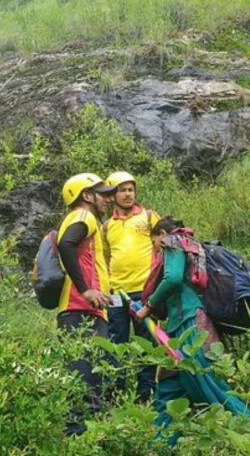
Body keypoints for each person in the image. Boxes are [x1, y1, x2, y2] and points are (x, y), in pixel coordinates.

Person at [134, 216, 250, 446]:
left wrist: (146, 309)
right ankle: (161, 445)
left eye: (153, 243)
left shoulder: (173, 241)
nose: (156, 250)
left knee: (208, 383)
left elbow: (172, 279)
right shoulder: (188, 246)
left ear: (160, 234)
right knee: (169, 389)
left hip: (192, 324)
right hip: (179, 326)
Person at [56, 173, 116, 436]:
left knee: (89, 377)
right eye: (102, 194)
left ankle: (85, 438)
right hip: (80, 310)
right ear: (86, 196)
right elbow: (66, 244)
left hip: (85, 311)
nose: (108, 198)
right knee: (83, 379)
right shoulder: (84, 216)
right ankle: (76, 439)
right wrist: (86, 290)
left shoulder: (86, 220)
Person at [102, 171, 159, 403]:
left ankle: (145, 394)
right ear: (113, 195)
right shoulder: (107, 226)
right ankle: (115, 394)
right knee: (116, 344)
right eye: (122, 190)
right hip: (117, 294)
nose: (128, 194)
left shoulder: (148, 217)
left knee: (147, 342)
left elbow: (161, 248)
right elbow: (105, 258)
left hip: (145, 291)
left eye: (131, 189)